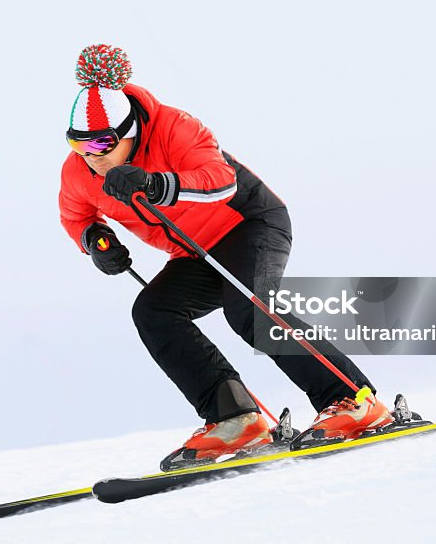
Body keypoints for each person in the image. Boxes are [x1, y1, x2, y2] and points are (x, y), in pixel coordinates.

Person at [58, 44, 393, 466]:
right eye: (77, 143)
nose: (92, 155)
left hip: (248, 224)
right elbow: (75, 214)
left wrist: (158, 183)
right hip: (191, 251)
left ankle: (353, 401)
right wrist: (95, 242)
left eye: (103, 143)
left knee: (248, 310)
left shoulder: (175, 126)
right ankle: (237, 420)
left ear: (130, 132)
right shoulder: (79, 171)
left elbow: (220, 181)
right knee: (153, 312)